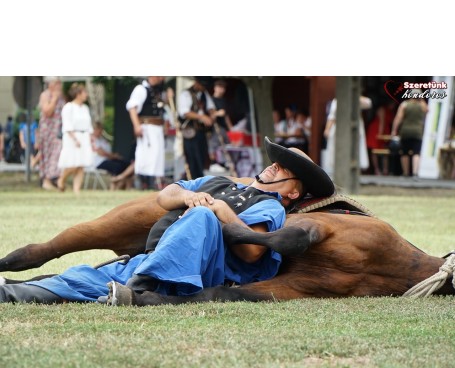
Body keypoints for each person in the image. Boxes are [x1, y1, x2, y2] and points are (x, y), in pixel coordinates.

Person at [0, 137, 335, 304]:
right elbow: (165, 196)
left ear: (292, 193)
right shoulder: (219, 181)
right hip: (156, 258)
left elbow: (252, 253)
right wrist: (188, 196)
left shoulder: (272, 207)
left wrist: (216, 209)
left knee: (203, 215)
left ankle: (141, 288)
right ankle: (13, 293)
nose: (276, 166)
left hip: (201, 270)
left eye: (288, 171)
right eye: (278, 162)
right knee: (80, 278)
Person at [126, 76, 169, 190]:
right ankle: (144, 181)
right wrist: (136, 126)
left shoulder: (157, 91)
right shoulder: (141, 89)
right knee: (146, 155)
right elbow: (132, 108)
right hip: (147, 126)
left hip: (157, 127)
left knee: (156, 155)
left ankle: (155, 181)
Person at [57, 83, 94, 193]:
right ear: (78, 94)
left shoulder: (85, 108)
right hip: (72, 136)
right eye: (84, 92)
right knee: (73, 163)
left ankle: (76, 190)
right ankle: (61, 179)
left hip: (84, 136)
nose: (86, 95)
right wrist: (75, 139)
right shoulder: (68, 107)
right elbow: (67, 124)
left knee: (81, 164)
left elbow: (88, 125)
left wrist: (90, 138)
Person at [323, 95, 372, 177]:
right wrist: (327, 129)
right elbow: (332, 116)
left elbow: (368, 103)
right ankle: (340, 173)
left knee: (353, 151)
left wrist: (355, 96)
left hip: (354, 129)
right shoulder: (336, 101)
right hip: (339, 128)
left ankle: (353, 174)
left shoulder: (356, 99)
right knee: (340, 150)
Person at [178, 76, 215, 179]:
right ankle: (191, 180)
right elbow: (184, 113)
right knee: (193, 159)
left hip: (202, 132)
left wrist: (212, 115)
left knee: (202, 157)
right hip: (190, 132)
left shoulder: (204, 94)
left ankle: (201, 179)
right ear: (197, 83)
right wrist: (202, 117)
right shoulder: (186, 94)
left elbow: (211, 107)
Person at [390, 89, 428, 177]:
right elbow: (427, 111)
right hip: (418, 131)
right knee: (416, 152)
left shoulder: (405, 105)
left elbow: (398, 118)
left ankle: (406, 172)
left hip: (405, 131)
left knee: (404, 152)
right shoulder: (422, 106)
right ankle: (415, 172)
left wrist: (394, 130)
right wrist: (421, 99)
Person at [38, 76, 65, 190]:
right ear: (51, 84)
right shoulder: (45, 95)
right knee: (49, 155)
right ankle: (47, 180)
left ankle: (55, 179)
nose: (60, 85)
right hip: (48, 131)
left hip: (58, 130)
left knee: (58, 154)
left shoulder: (61, 96)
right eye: (57, 83)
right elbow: (47, 112)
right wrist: (54, 98)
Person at [91, 121, 132, 190]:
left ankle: (125, 186)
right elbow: (101, 153)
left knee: (126, 164)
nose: (100, 131)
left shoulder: (101, 139)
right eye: (99, 129)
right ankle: (113, 186)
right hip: (98, 162)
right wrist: (114, 156)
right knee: (117, 167)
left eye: (101, 129)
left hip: (107, 159)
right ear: (94, 129)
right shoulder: (92, 139)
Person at [208, 79, 233, 172]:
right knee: (214, 145)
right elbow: (210, 114)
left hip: (223, 127)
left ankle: (223, 163)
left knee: (225, 145)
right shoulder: (210, 100)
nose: (221, 90)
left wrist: (231, 128)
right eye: (219, 87)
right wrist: (218, 113)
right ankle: (213, 163)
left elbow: (226, 116)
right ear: (215, 88)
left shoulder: (223, 100)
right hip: (214, 127)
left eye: (223, 88)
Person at [366, 100, 395, 175]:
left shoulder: (390, 111)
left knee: (384, 151)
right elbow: (382, 122)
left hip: (385, 130)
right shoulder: (382, 109)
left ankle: (385, 170)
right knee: (374, 150)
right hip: (377, 130)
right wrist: (380, 134)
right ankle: (377, 169)